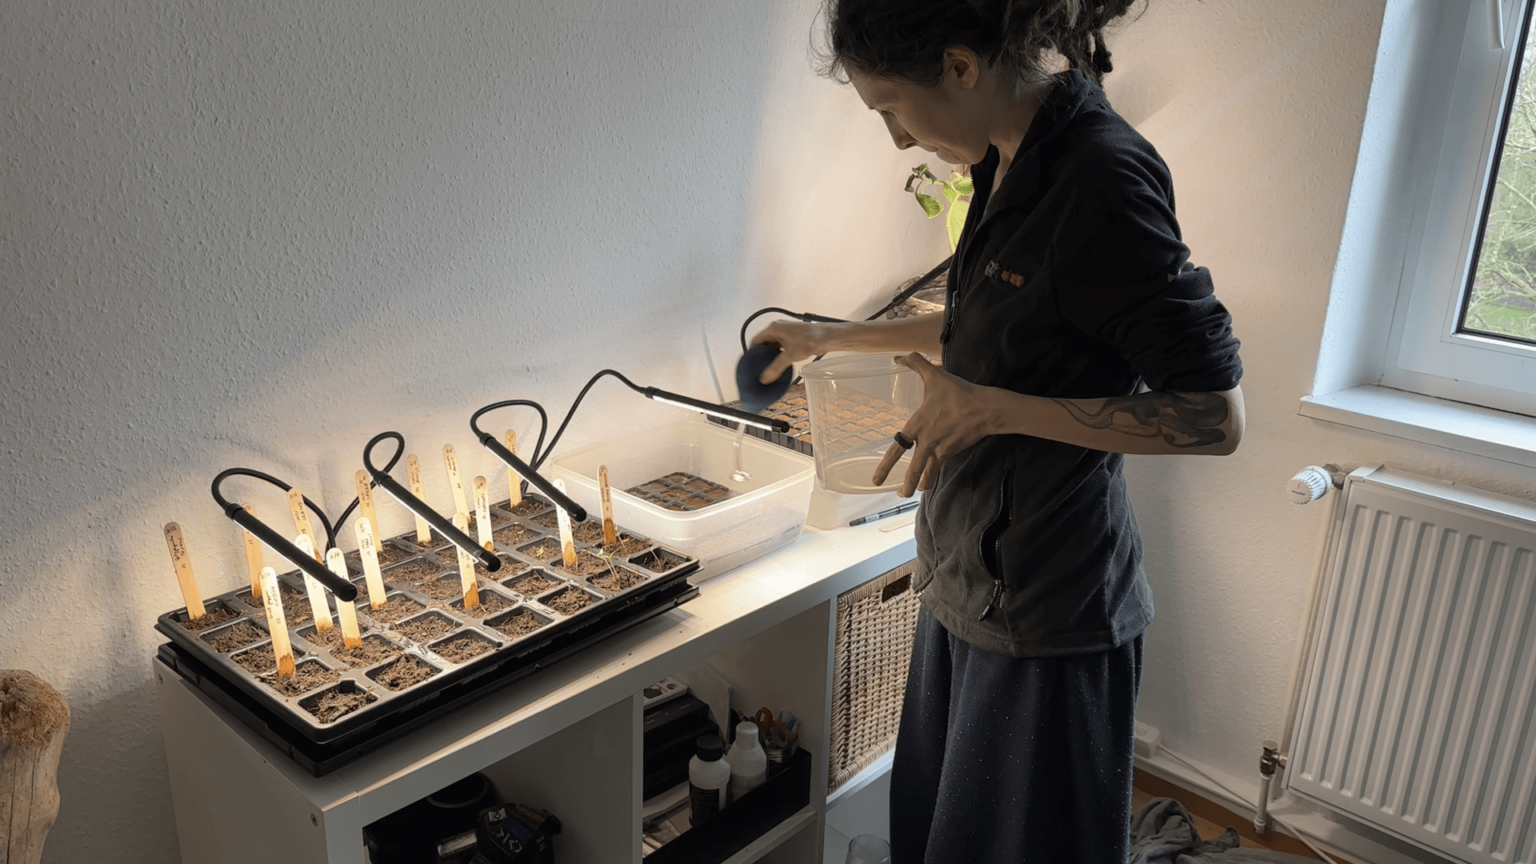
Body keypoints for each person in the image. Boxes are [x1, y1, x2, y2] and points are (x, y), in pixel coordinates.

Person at [749, 1, 1244, 861]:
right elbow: (986, 323)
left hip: (1050, 609)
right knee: (937, 835)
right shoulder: (1005, 157)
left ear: (961, 66)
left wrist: (997, 409)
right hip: (964, 578)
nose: (898, 141)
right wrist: (832, 335)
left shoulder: (1101, 178)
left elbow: (1214, 416)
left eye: (892, 109)